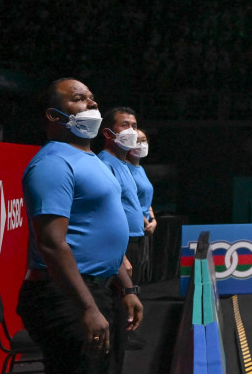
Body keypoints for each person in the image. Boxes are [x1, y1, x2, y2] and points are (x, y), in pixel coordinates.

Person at [18, 79, 142, 374]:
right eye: (78, 98)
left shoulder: (92, 160)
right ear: (54, 115)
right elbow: (51, 243)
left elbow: (102, 236)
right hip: (66, 296)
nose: (92, 103)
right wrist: (86, 308)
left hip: (98, 289)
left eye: (91, 97)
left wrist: (128, 288)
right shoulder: (53, 163)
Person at [96, 107, 147, 371]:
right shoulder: (104, 164)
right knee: (116, 317)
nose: (131, 131)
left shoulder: (124, 164)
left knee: (123, 315)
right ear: (108, 132)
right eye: (124, 125)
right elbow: (103, 216)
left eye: (134, 125)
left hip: (133, 241)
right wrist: (120, 255)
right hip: (120, 249)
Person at [127, 129, 156, 284]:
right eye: (136, 141)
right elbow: (129, 201)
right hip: (131, 231)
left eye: (144, 140)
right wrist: (145, 222)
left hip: (143, 229)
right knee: (130, 280)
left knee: (138, 279)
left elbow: (145, 199)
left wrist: (153, 219)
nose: (141, 144)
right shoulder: (125, 169)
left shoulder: (141, 169)